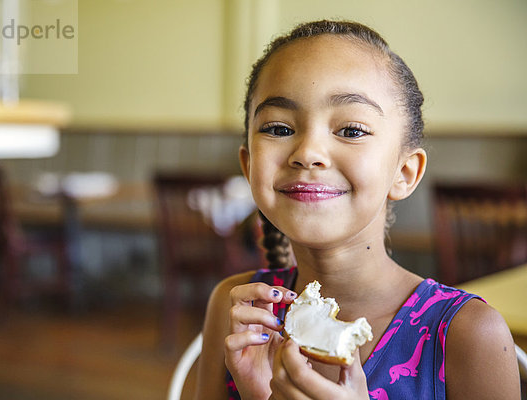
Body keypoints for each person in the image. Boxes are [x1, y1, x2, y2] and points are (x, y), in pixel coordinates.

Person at [194, 20, 520, 400]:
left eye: (351, 130)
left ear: (404, 172)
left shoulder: (466, 334)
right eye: (280, 128)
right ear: (249, 167)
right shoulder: (240, 310)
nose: (308, 153)